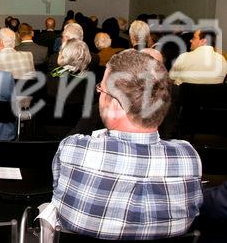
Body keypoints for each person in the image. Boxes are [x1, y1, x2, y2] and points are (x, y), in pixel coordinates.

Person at [38, 49, 202, 241]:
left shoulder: (74, 150)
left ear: (115, 105)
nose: (99, 94)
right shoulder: (189, 159)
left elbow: (59, 196)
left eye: (101, 89)